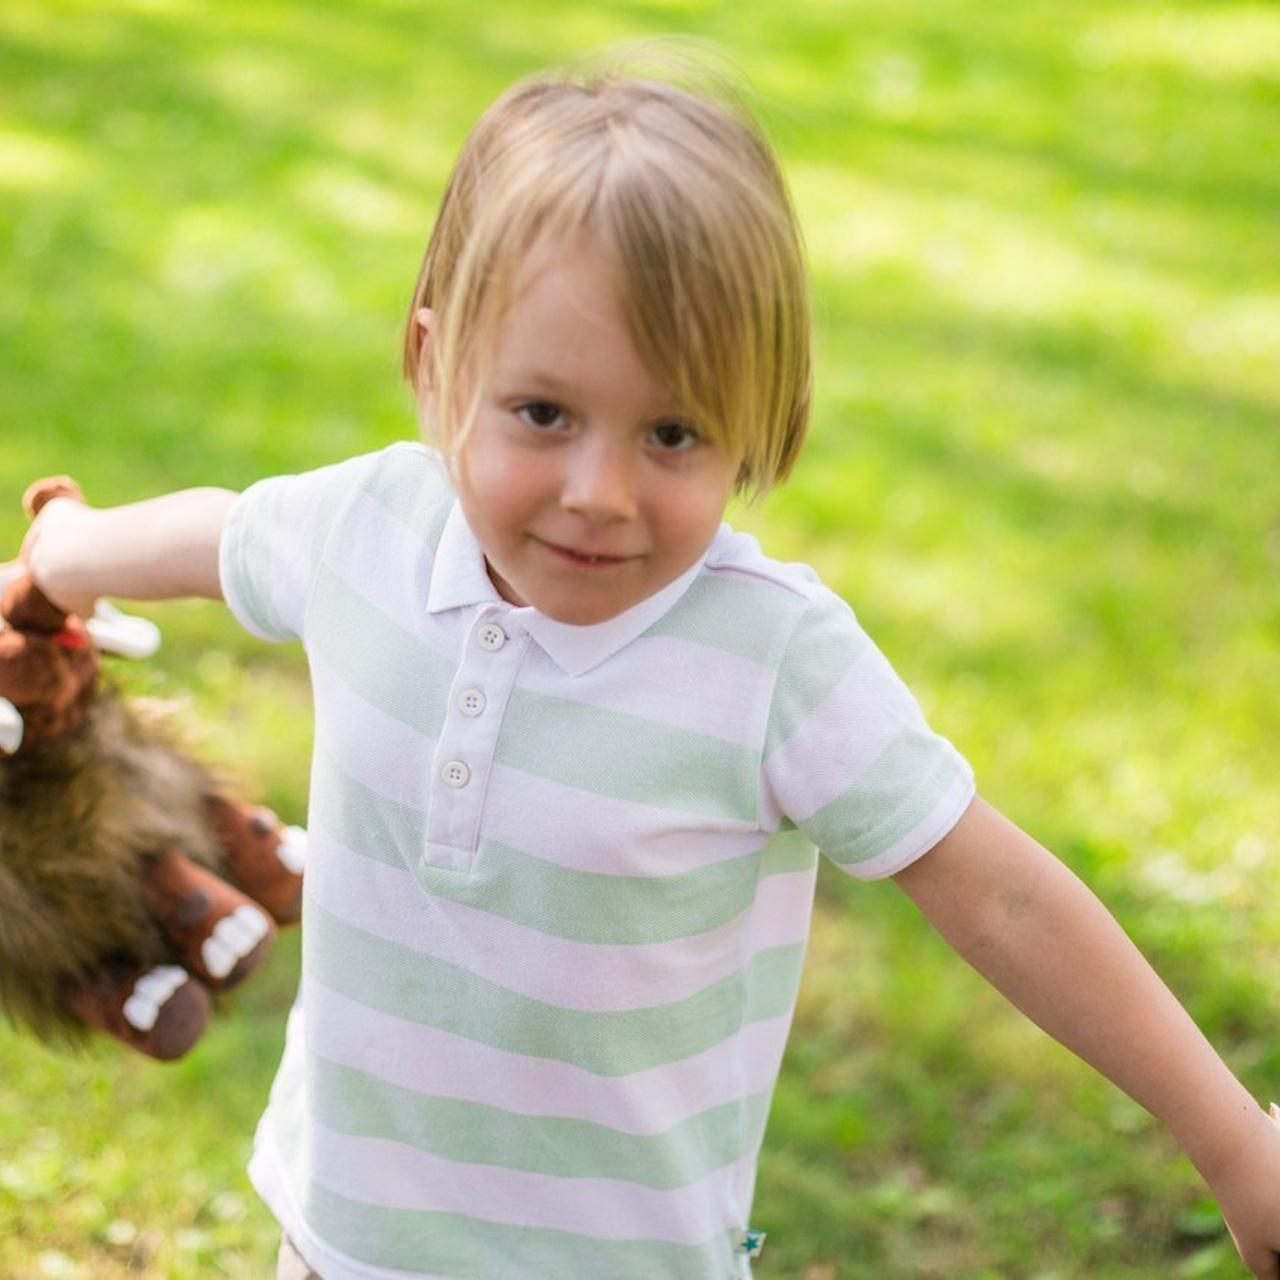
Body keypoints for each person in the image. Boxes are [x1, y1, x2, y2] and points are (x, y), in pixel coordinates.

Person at [20, 51, 1280, 1280]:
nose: (597, 493)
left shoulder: (770, 659)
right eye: (543, 414)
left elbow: (999, 895)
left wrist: (1235, 1143)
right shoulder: (364, 529)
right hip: (345, 1234)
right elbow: (217, 532)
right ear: (433, 364)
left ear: (759, 427)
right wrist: (63, 557)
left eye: (671, 431)